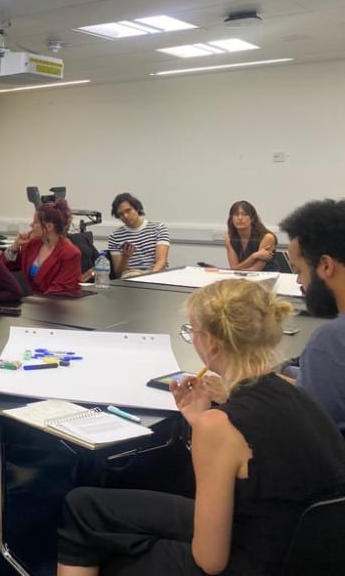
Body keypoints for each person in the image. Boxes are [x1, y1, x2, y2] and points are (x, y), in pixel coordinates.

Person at [57, 278, 345, 576]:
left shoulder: (220, 427)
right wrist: (200, 421)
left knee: (95, 531)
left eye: (190, 332)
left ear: (211, 341)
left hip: (254, 561)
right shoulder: (299, 396)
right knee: (85, 506)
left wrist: (203, 428)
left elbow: (210, 560)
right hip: (303, 550)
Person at [280, 198, 345, 429]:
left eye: (299, 270)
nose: (299, 281)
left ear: (326, 265)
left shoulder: (330, 341)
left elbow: (308, 430)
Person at [1, 199, 82, 296]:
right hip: (33, 304)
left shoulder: (70, 253)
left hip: (55, 307)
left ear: (49, 226)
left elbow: (59, 291)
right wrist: (15, 247)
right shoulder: (31, 244)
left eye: (35, 222)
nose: (31, 225)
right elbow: (3, 267)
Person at [106, 192, 169, 278]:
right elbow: (118, 274)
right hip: (130, 278)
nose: (126, 216)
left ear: (137, 208)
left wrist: (149, 278)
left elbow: (161, 261)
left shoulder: (158, 228)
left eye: (128, 210)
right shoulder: (115, 237)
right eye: (121, 214)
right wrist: (125, 257)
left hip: (155, 276)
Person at [225, 200, 278, 272]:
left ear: (252, 219)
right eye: (236, 214)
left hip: (266, 278)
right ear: (231, 219)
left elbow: (255, 269)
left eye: (244, 214)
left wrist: (238, 270)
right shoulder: (229, 237)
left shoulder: (267, 237)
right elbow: (233, 268)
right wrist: (254, 256)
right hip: (242, 278)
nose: (240, 218)